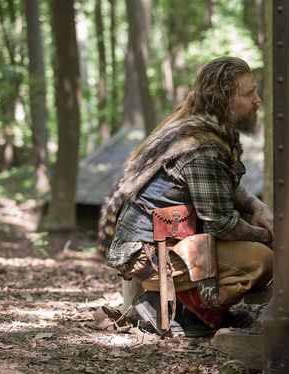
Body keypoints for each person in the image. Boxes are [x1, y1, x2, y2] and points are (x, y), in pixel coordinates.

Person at [97, 56, 273, 333]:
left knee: (252, 223)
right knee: (262, 259)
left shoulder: (203, 128)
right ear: (226, 98)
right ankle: (176, 311)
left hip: (159, 244)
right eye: (249, 93)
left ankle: (193, 305)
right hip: (148, 254)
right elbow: (222, 224)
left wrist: (256, 206)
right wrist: (269, 237)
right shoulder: (201, 146)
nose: (257, 99)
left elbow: (222, 185)